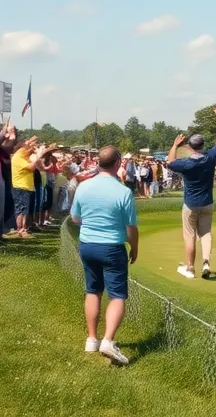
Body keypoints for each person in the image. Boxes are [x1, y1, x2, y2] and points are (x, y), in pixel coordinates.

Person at [70, 144, 138, 366]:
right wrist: (134, 247)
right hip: (112, 247)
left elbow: (75, 218)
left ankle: (92, 338)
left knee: (93, 290)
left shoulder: (84, 186)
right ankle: (108, 340)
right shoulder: (123, 191)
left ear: (98, 163)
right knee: (117, 295)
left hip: (88, 245)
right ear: (119, 163)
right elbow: (131, 228)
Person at [166, 108, 216, 280]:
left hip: (191, 204)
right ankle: (206, 262)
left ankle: (190, 268)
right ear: (202, 145)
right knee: (205, 233)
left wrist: (175, 145)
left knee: (189, 236)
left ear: (190, 146)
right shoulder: (210, 158)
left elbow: (170, 162)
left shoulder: (185, 164)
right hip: (207, 202)